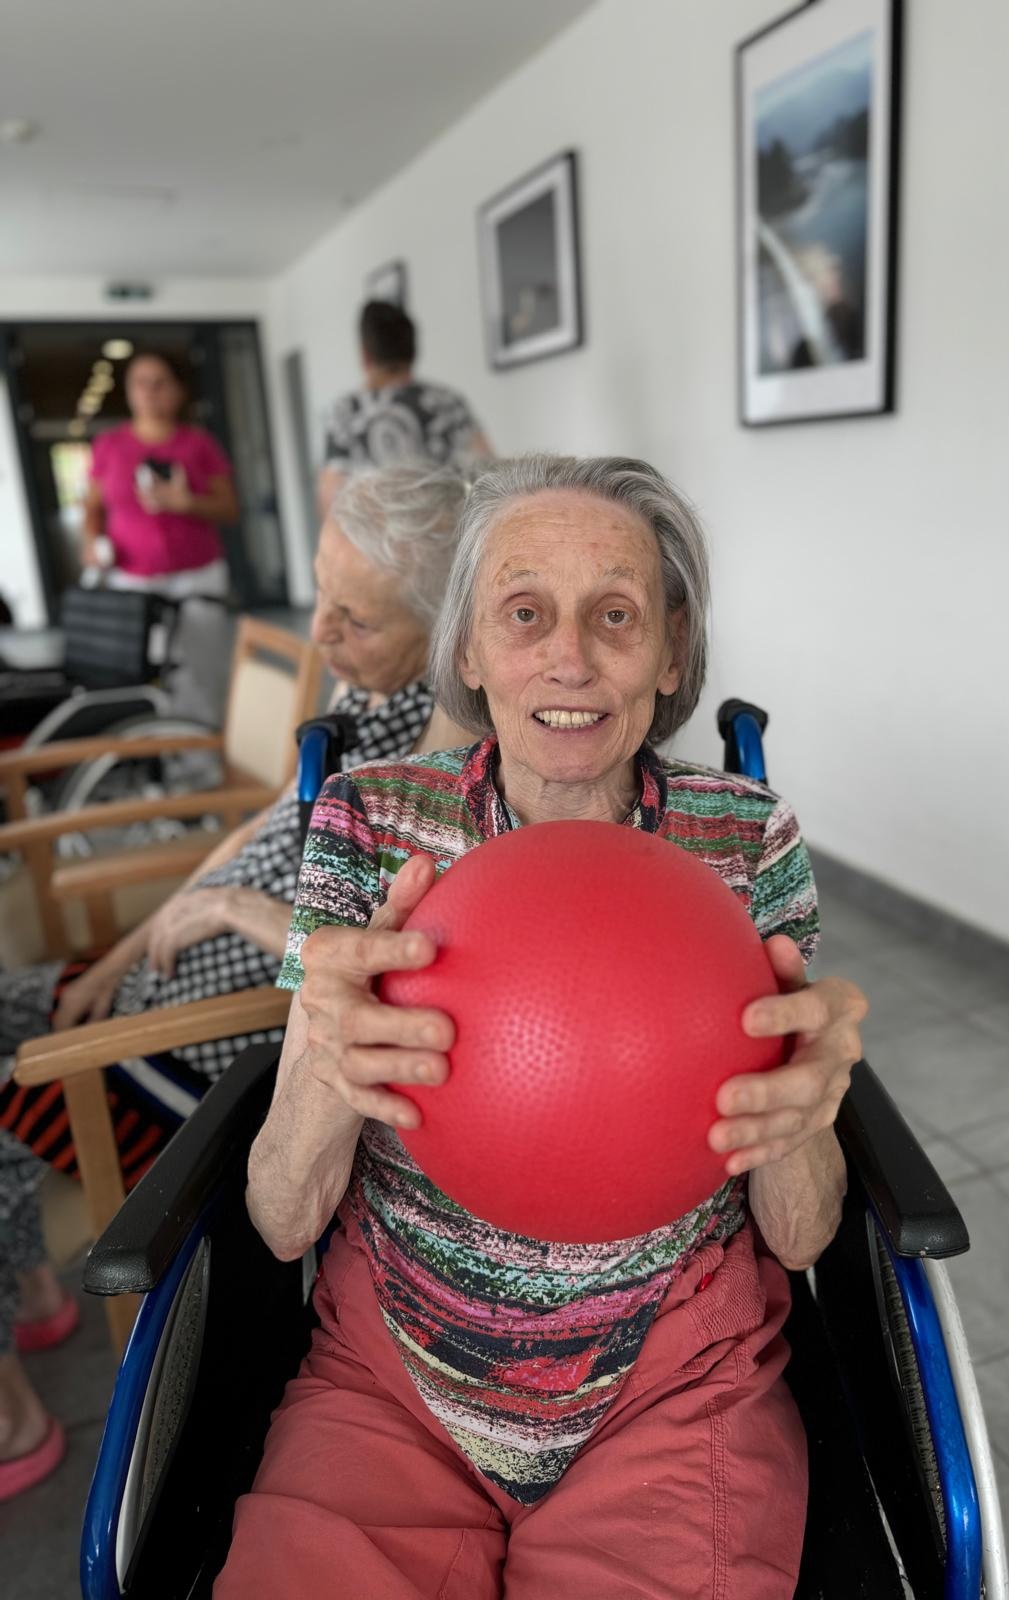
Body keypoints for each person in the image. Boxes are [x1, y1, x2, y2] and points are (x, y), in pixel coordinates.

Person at [218, 454, 868, 1599]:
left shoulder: (746, 837)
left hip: (676, 1381)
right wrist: (329, 1060)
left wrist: (805, 1107)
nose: (570, 658)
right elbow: (281, 1220)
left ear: (671, 651)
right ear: (467, 649)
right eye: (524, 612)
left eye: (615, 615)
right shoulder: (369, 824)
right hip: (391, 1375)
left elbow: (802, 1235)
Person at [0, 464, 472, 1502]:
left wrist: (230, 913)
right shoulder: (369, 694)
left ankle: (12, 1414)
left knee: (6, 1081)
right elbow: (258, 832)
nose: (319, 632)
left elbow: (385, 964)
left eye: (355, 617)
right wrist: (125, 950)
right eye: (322, 592)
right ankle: (28, 1280)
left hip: (204, 1049)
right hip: (161, 980)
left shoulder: (441, 768)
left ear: (448, 637)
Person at [82, 351, 238, 599]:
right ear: (128, 390)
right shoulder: (108, 446)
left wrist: (189, 504)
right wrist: (92, 542)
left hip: (197, 575)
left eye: (160, 383)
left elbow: (229, 508)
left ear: (178, 390)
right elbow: (93, 506)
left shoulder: (200, 443)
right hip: (131, 576)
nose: (150, 391)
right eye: (141, 383)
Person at [317, 300, 493, 517]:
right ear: (413, 352)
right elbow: (488, 474)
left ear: (365, 356)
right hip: (450, 532)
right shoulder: (448, 402)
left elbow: (330, 499)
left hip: (377, 537)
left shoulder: (345, 413)